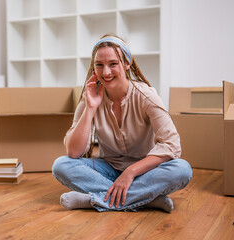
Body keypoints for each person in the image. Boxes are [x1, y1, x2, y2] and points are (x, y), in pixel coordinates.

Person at [52, 34, 192, 212]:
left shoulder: (145, 95)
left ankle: (94, 200)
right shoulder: (90, 97)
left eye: (113, 64)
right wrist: (90, 108)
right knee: (61, 165)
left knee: (182, 169)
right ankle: (146, 199)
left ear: (127, 64)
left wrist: (131, 172)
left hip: (145, 172)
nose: (106, 72)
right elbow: (73, 151)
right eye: (99, 65)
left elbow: (172, 145)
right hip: (109, 169)